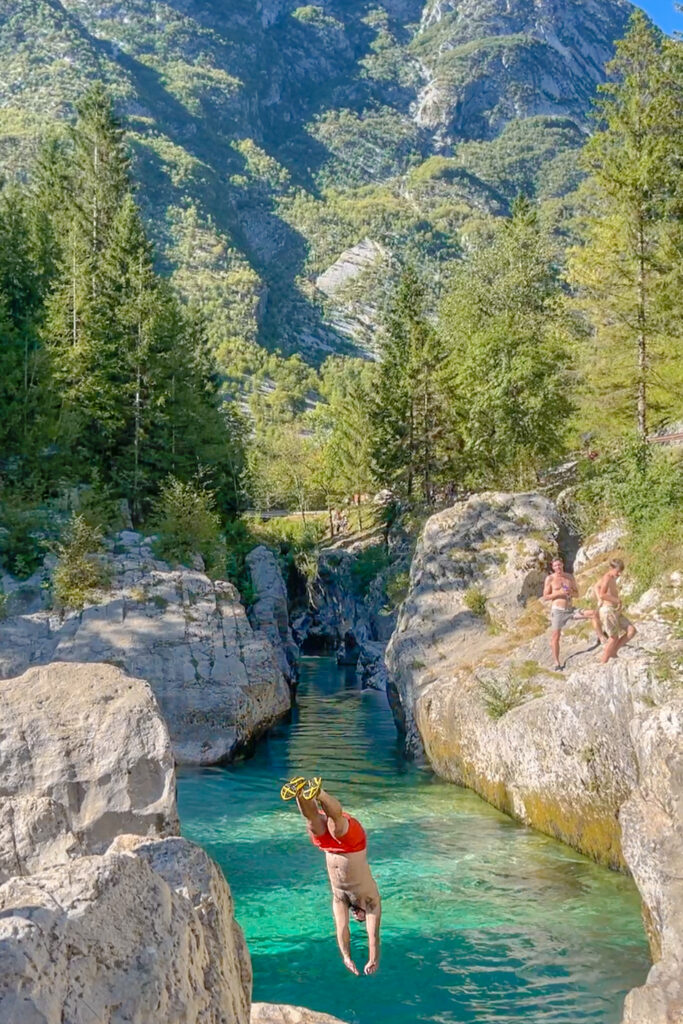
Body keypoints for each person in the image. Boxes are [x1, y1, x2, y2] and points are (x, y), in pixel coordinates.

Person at [280, 776, 381, 976]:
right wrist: (373, 958)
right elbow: (373, 935)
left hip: (328, 848)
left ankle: (300, 792)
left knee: (313, 823)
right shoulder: (371, 901)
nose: (357, 917)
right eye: (361, 918)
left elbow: (342, 930)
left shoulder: (340, 899)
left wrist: (346, 957)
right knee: (338, 827)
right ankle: (320, 793)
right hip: (353, 846)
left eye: (356, 918)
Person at [595, 559, 636, 664]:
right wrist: (616, 600)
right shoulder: (607, 578)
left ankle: (613, 652)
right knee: (613, 637)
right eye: (618, 571)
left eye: (621, 571)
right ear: (612, 568)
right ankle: (603, 661)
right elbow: (602, 594)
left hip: (614, 610)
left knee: (631, 630)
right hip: (608, 610)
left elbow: (596, 586)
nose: (619, 573)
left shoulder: (612, 577)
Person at [543, 556, 579, 670]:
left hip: (570, 609)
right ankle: (556, 662)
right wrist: (559, 594)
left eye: (559, 564)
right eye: (555, 566)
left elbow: (577, 594)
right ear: (552, 567)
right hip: (557, 610)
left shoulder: (569, 577)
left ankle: (601, 638)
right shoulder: (550, 579)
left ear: (562, 564)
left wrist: (570, 592)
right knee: (556, 636)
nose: (558, 567)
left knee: (592, 614)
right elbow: (545, 596)